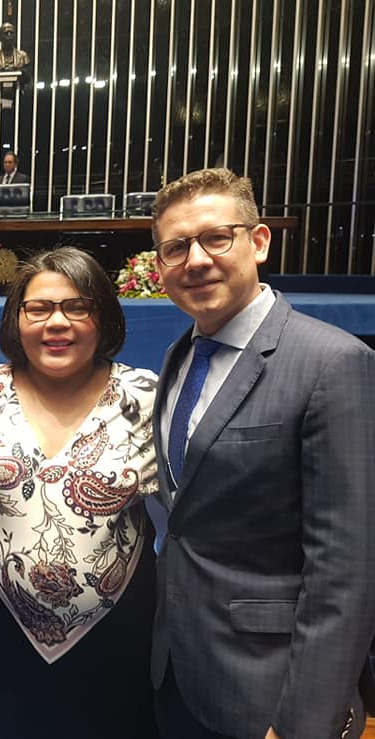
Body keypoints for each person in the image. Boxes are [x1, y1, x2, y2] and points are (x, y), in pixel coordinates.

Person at [149, 167, 375, 739]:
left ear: (259, 241)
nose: (196, 260)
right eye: (176, 247)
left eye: (216, 238)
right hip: (177, 672)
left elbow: (347, 568)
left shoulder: (333, 363)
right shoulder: (180, 356)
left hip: (270, 692)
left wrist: (303, 722)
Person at [0, 247, 159, 738]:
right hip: (4, 623)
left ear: (102, 316)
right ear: (16, 318)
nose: (57, 322)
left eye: (77, 307)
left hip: (120, 626)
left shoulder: (146, 396)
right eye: (39, 308)